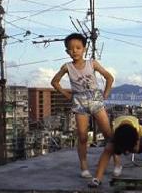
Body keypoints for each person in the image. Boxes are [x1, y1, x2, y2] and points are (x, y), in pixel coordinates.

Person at [51, 33, 121, 178]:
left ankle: (117, 161)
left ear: (84, 49)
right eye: (71, 49)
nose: (74, 51)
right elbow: (54, 82)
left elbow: (109, 77)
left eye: (78, 47)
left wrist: (105, 94)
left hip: (95, 99)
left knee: (108, 133)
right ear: (67, 51)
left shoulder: (92, 63)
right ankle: (84, 166)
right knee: (82, 136)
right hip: (79, 102)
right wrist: (67, 95)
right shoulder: (67, 67)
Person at [88, 115, 142, 188]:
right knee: (108, 149)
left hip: (135, 133)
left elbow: (140, 147)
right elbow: (107, 155)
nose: (127, 153)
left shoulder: (138, 133)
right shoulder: (115, 133)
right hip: (120, 134)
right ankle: (97, 178)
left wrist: (136, 148)